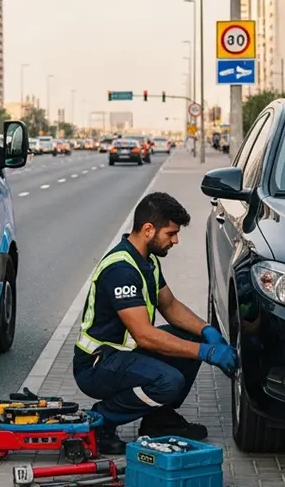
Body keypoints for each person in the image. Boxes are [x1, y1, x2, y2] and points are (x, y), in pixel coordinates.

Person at [73, 192, 237, 454]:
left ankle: (159, 420)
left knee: (193, 336)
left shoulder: (146, 261)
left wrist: (207, 332)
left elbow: (170, 306)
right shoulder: (121, 270)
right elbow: (145, 336)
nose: (176, 240)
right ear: (148, 229)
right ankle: (102, 420)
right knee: (168, 381)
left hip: (123, 354)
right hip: (97, 364)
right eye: (170, 233)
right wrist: (206, 353)